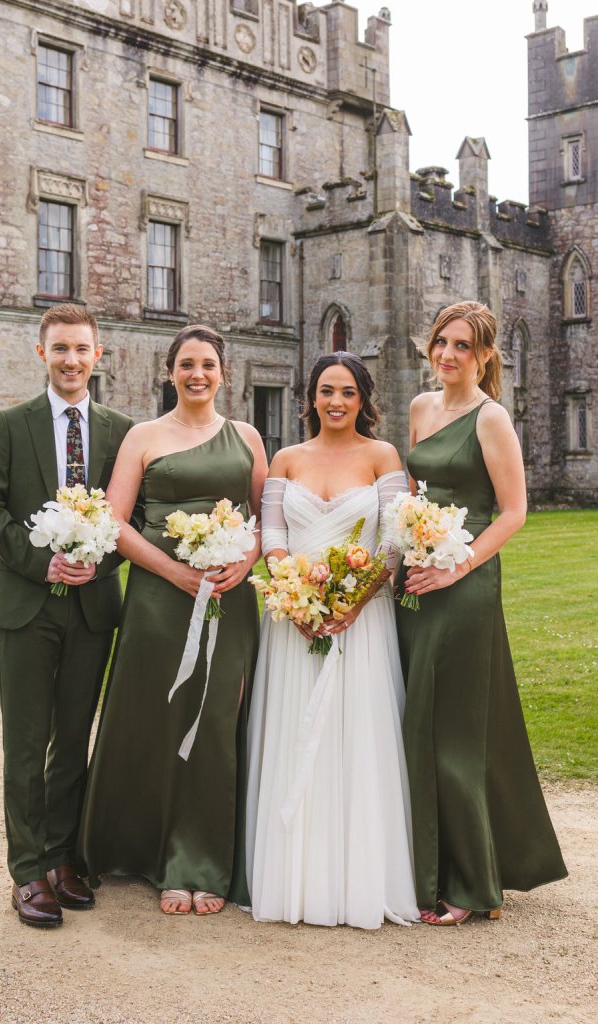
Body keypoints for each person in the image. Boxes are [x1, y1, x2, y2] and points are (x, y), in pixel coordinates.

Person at [77, 325, 268, 916]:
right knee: (154, 717)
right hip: (159, 601)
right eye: (186, 364)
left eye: (208, 364)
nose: (198, 374)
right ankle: (142, 849)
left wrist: (247, 557)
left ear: (223, 372)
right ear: (170, 372)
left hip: (227, 599)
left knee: (214, 722)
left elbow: (267, 517)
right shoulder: (144, 436)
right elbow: (117, 521)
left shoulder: (247, 437)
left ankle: (201, 861)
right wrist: (174, 571)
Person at [396, 300, 567, 926]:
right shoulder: (419, 408)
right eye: (441, 342)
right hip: (414, 577)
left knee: (455, 728)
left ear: (485, 357)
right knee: (417, 719)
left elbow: (514, 511)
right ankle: (424, 869)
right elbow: (416, 493)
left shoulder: (492, 419)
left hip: (463, 580)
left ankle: (470, 882)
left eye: (462, 346)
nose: (447, 355)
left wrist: (457, 565)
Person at [0, 304, 135, 928]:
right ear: (43, 353)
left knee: (73, 741)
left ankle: (64, 857)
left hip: (92, 609)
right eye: (60, 348)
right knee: (25, 741)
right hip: (25, 606)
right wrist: (42, 565)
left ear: (98, 355)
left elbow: (134, 520)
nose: (71, 360)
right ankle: (27, 870)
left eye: (81, 349)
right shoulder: (13, 424)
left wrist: (100, 562)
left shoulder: (121, 432)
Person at [246, 352, 419, 929]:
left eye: (348, 392)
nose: (336, 402)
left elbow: (396, 540)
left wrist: (355, 600)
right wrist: (295, 595)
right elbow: (271, 536)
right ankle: (293, 880)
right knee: (294, 734)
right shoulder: (286, 459)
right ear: (311, 397)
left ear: (364, 399)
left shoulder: (382, 457)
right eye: (326, 391)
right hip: (294, 624)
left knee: (357, 736)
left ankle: (358, 879)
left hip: (362, 624)